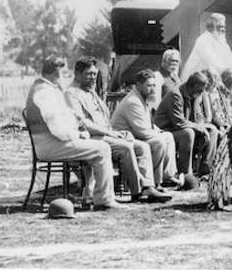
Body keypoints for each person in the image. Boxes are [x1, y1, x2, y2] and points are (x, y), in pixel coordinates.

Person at [65, 57, 170, 203]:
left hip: (106, 135)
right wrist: (109, 132)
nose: (93, 78)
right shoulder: (71, 93)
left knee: (142, 146)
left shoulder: (91, 92)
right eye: (89, 74)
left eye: (95, 74)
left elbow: (104, 118)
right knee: (125, 148)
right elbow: (82, 123)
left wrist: (118, 132)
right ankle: (138, 191)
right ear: (77, 73)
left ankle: (147, 186)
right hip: (90, 138)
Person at [25, 56, 118, 210]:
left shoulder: (49, 89)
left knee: (94, 146)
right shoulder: (44, 92)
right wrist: (79, 134)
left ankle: (89, 197)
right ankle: (104, 200)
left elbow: (65, 116)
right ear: (57, 74)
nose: (67, 77)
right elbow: (59, 130)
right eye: (65, 73)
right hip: (49, 145)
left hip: (53, 141)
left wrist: (77, 122)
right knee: (102, 148)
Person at [110, 70, 181, 192]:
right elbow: (142, 131)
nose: (153, 89)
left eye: (154, 85)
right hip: (125, 138)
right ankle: (153, 183)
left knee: (168, 136)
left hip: (135, 136)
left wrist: (160, 132)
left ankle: (166, 177)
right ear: (138, 85)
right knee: (159, 141)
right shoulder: (133, 101)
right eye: (149, 86)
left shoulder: (143, 99)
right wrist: (159, 134)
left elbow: (150, 126)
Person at [154, 71, 219, 184]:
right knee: (188, 133)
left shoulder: (194, 95)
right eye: (200, 89)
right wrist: (199, 127)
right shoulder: (175, 94)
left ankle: (205, 170)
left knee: (212, 130)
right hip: (167, 131)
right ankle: (185, 174)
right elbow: (179, 122)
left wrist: (203, 126)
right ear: (193, 86)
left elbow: (198, 117)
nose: (202, 92)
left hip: (182, 128)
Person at [180, 13, 232, 81]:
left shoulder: (222, 41)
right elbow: (212, 61)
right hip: (203, 76)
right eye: (220, 26)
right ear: (211, 27)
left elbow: (230, 60)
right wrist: (228, 71)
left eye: (224, 26)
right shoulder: (203, 39)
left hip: (220, 75)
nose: (223, 29)